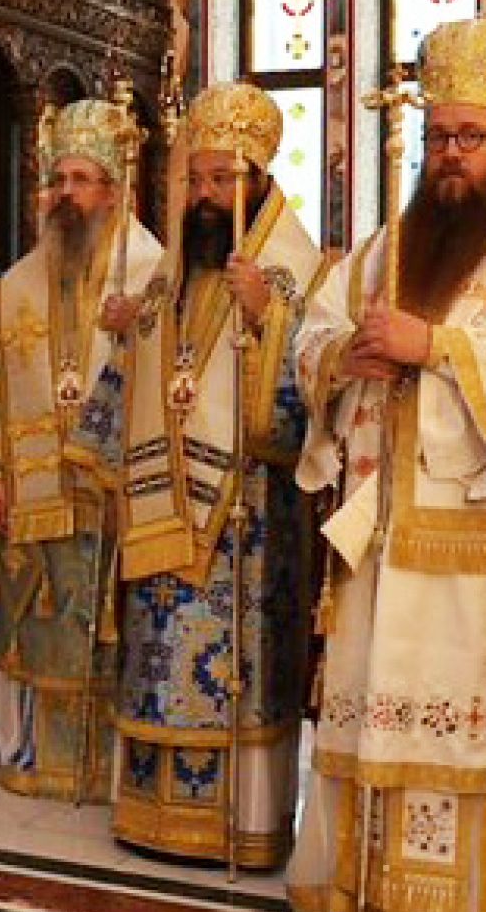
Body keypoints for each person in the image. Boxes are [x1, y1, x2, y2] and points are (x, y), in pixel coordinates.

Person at [288, 18, 486, 912]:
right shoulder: (387, 245)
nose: (452, 154)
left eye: (471, 137)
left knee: (461, 710)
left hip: (478, 537)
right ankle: (356, 886)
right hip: (378, 528)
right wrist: (344, 355)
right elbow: (312, 336)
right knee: (368, 690)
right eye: (439, 137)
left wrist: (438, 347)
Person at [84, 81, 328, 869]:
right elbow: (160, 366)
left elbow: (314, 399)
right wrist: (131, 330)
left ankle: (241, 821)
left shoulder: (295, 271)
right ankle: (151, 813)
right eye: (196, 178)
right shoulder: (174, 268)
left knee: (239, 669)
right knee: (157, 652)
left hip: (246, 520)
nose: (205, 195)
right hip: (163, 507)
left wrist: (269, 318)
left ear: (260, 179)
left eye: (223, 179)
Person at [0, 97, 162, 800]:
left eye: (82, 180)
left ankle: (102, 763)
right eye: (59, 180)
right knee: (34, 609)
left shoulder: (150, 274)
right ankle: (30, 753)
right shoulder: (17, 283)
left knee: (106, 620)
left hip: (110, 487)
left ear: (114, 191)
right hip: (34, 490)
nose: (66, 194)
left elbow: (179, 378)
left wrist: (141, 331)